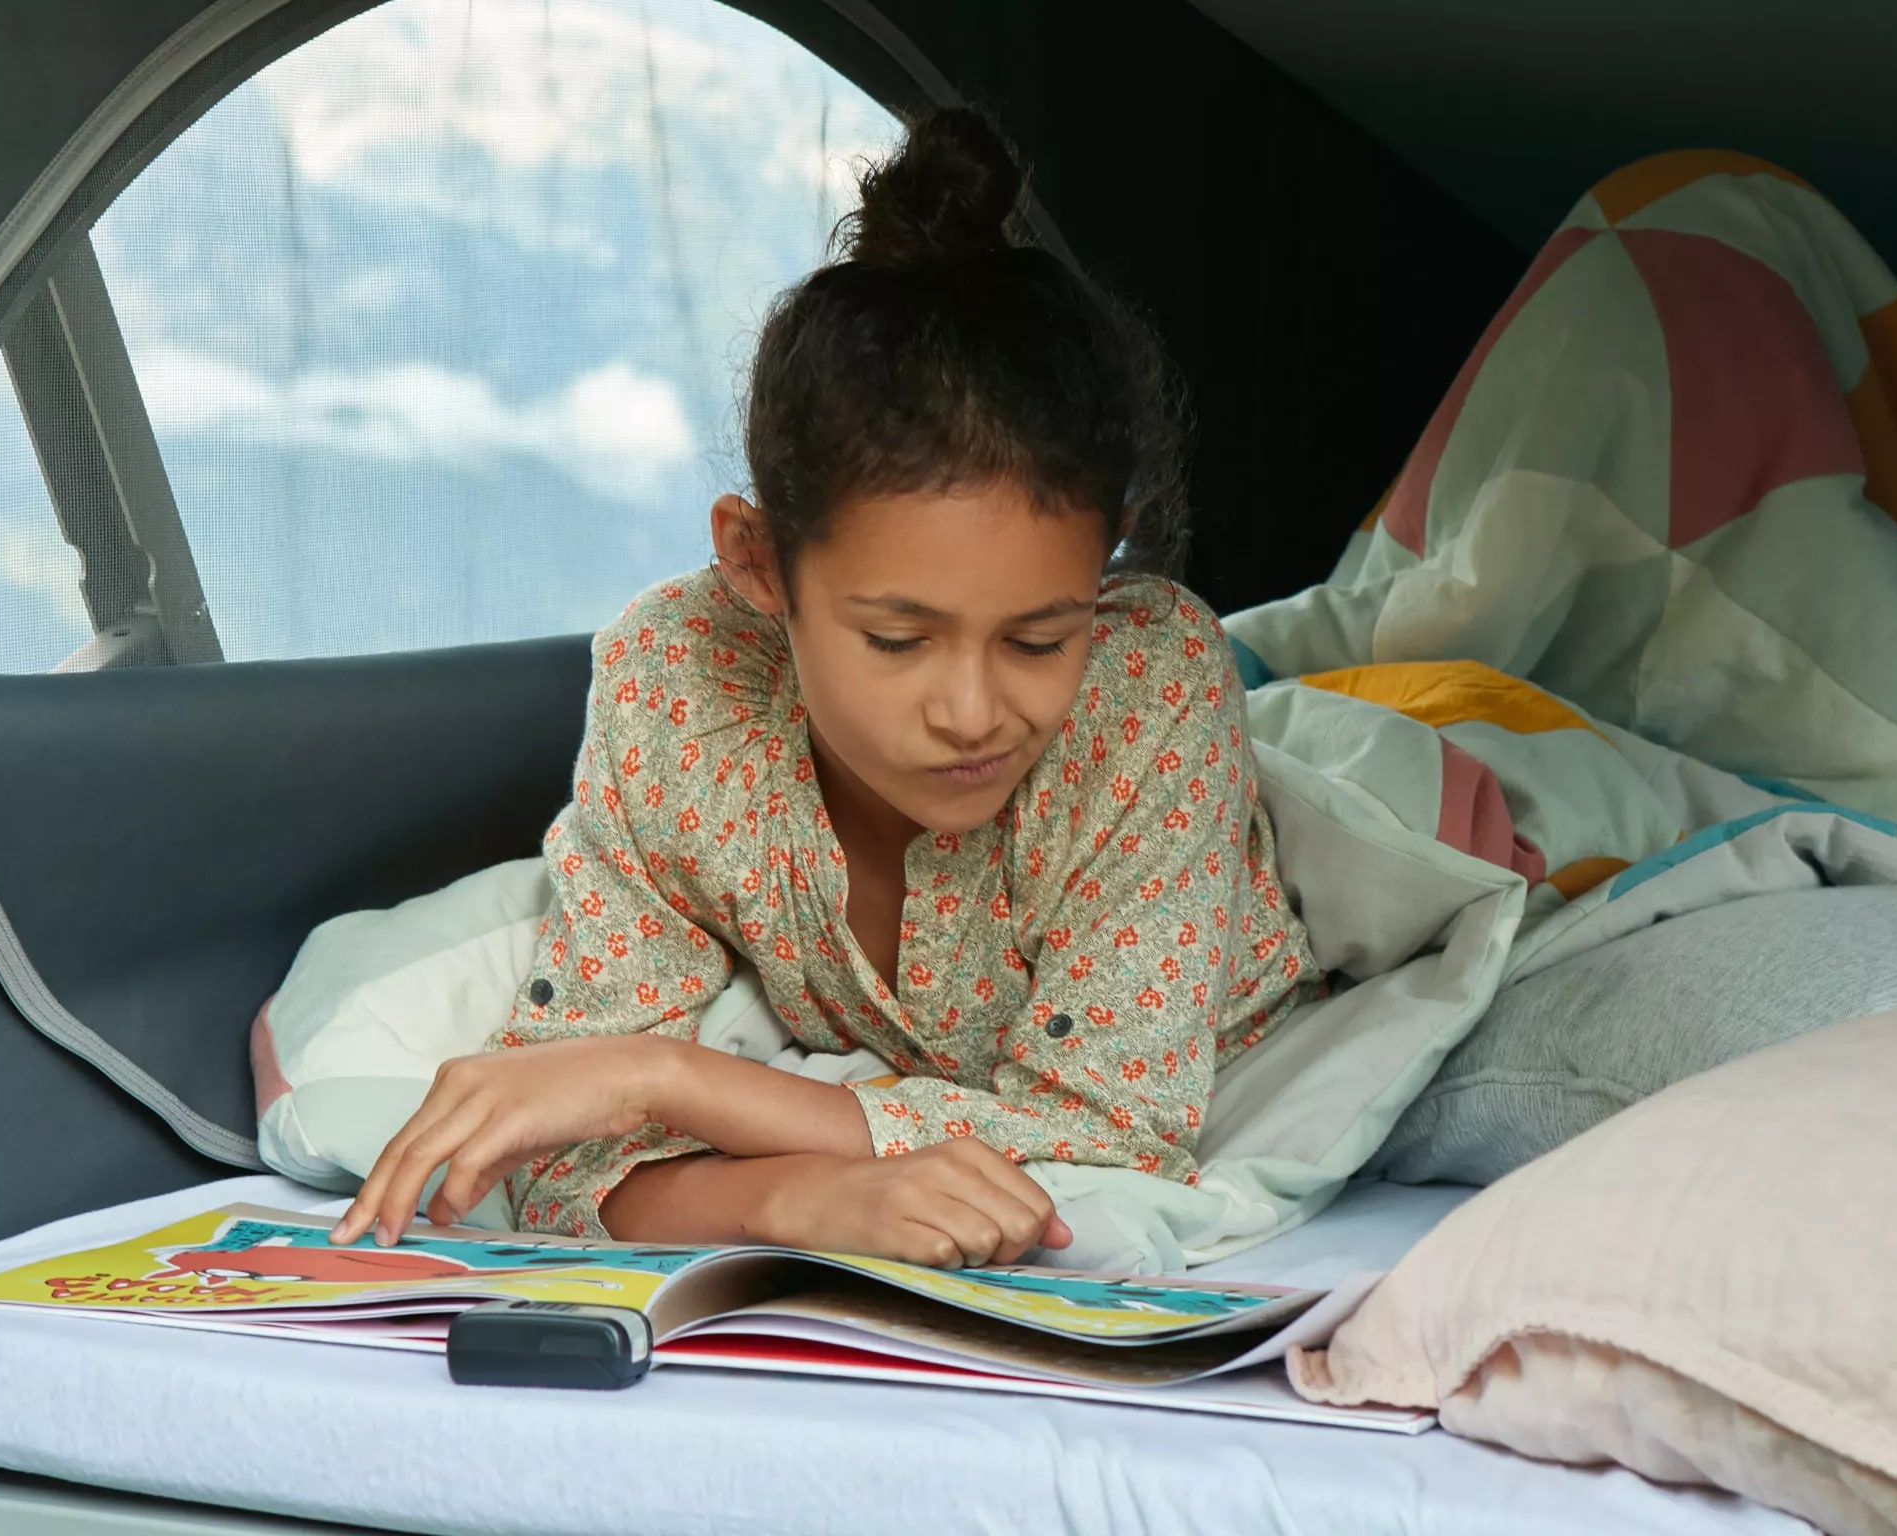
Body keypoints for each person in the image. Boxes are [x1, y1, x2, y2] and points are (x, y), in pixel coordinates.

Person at [327, 107, 1317, 1269]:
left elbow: (1107, 1141)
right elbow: (554, 1137)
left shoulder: (1148, 688)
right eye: (897, 640)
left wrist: (663, 1077)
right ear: (757, 563)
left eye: (1038, 639)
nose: (970, 713)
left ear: (1106, 564)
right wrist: (792, 1200)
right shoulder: (675, 690)